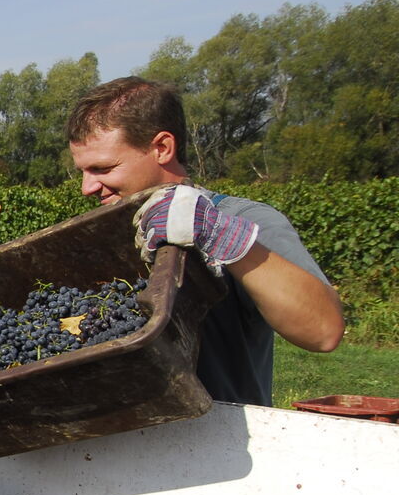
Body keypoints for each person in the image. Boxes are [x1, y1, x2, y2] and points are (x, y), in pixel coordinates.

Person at [65, 77, 343, 405]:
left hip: (218, 448)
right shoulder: (100, 235)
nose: (87, 187)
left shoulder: (244, 220)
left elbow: (323, 331)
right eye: (82, 171)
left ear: (162, 148)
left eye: (103, 168)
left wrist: (224, 238)